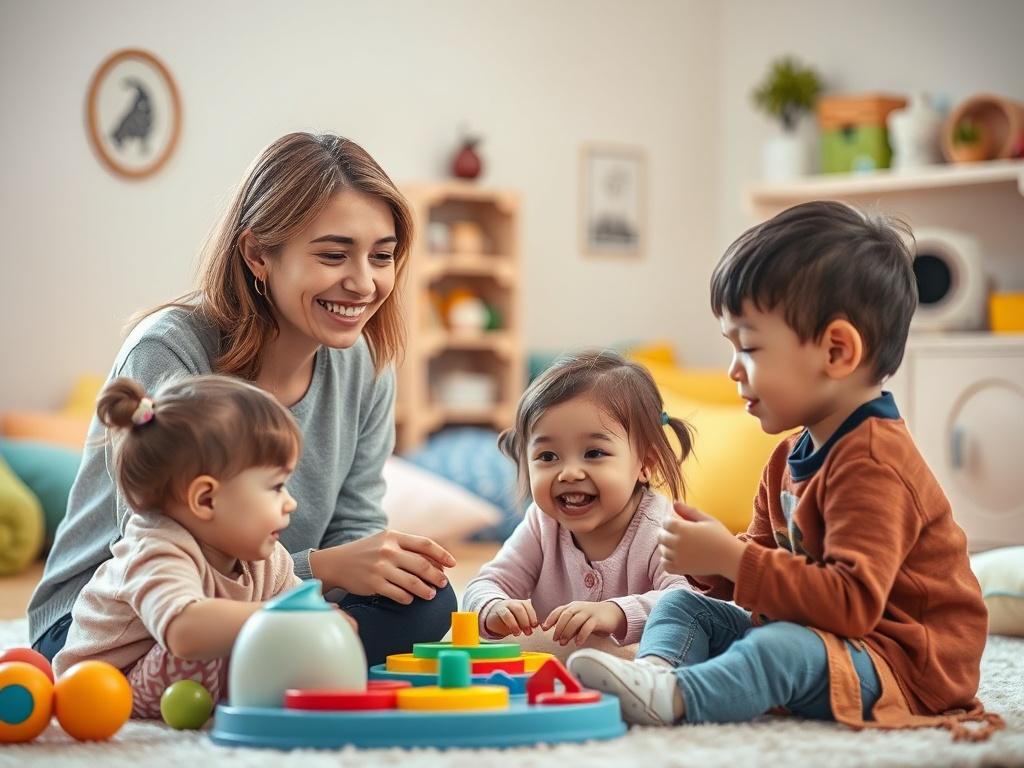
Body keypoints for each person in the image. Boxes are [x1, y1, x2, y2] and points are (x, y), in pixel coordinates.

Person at [567, 201, 1003, 740]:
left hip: (902, 664)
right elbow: (759, 570)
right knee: (683, 603)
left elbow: (851, 606)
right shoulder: (787, 457)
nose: (733, 370)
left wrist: (731, 558)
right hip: (823, 637)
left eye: (749, 347)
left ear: (836, 351)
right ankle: (656, 676)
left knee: (780, 648)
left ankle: (681, 698)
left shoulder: (874, 463)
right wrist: (711, 561)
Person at [30, 133, 457, 668]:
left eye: (382, 256)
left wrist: (376, 567)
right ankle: (293, 659)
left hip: (269, 596)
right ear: (257, 254)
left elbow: (356, 528)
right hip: (122, 617)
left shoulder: (367, 366)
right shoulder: (170, 350)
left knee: (429, 600)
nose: (363, 283)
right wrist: (323, 569)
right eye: (333, 255)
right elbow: (151, 544)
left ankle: (280, 660)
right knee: (220, 632)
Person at [52, 375, 334, 717]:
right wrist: (288, 620)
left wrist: (321, 625)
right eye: (276, 487)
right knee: (210, 641)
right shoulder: (155, 546)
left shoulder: (267, 557)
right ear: (205, 499)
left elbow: (299, 610)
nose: (290, 503)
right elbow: (185, 632)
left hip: (188, 688)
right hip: (107, 685)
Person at [463, 350, 695, 648]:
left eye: (594, 453)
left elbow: (688, 602)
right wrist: (494, 607)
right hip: (556, 673)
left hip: (641, 668)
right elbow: (484, 585)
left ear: (645, 463)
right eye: (548, 456)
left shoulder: (663, 530)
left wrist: (617, 613)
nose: (569, 473)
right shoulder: (542, 525)